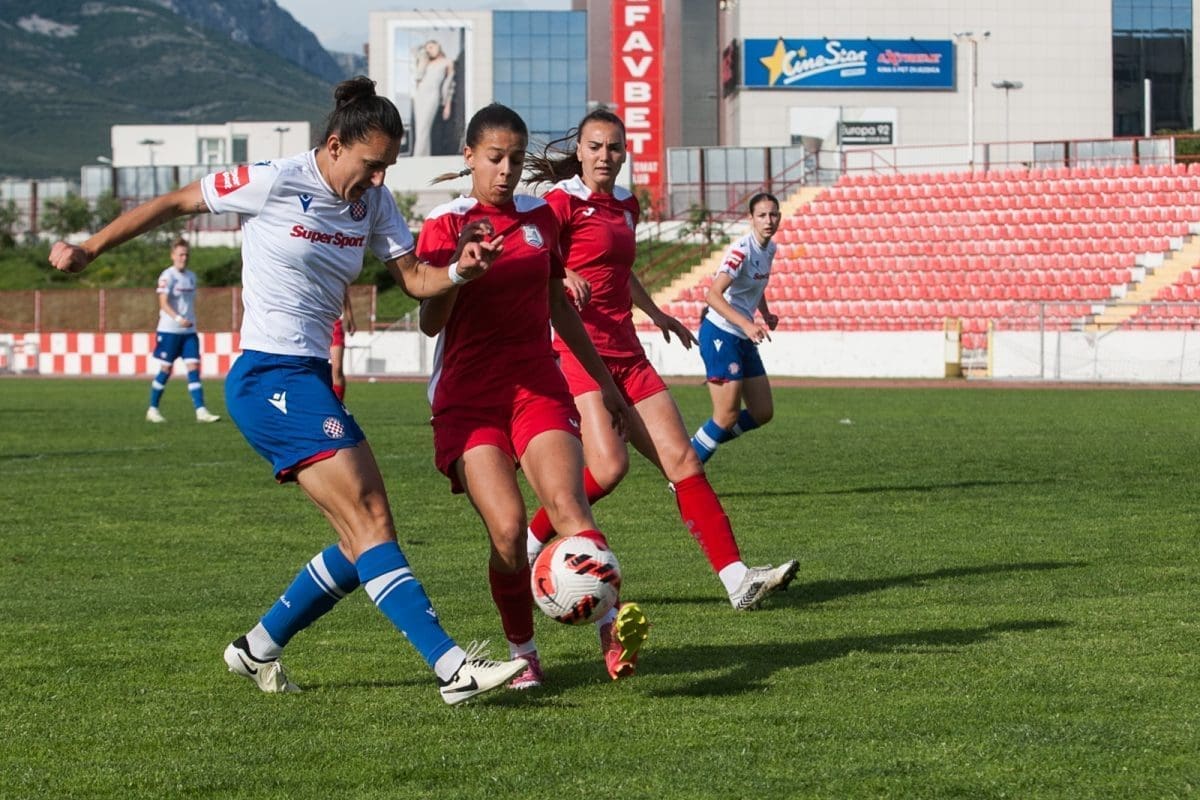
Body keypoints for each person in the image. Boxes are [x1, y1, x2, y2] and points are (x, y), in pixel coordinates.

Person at [48, 76, 527, 706]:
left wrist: (460, 271)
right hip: (268, 377)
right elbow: (174, 203)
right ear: (334, 146)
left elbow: (414, 279)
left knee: (359, 541)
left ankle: (257, 648)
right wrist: (89, 247)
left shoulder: (374, 203)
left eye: (387, 166)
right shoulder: (274, 179)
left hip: (307, 379)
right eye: (371, 164)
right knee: (371, 520)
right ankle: (451, 667)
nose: (379, 179)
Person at [523, 110, 798, 611]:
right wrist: (560, 275)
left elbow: (618, 272)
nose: (604, 156)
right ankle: (531, 538)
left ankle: (738, 581)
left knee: (683, 461)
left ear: (624, 153)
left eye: (614, 147)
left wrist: (655, 313)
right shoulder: (560, 203)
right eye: (595, 146)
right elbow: (533, 260)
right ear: (579, 151)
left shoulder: (626, 205)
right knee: (609, 468)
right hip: (579, 353)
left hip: (628, 353)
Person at [417, 103, 647, 690]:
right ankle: (524, 652)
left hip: (537, 387)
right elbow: (430, 322)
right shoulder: (446, 222)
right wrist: (461, 269)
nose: (506, 170)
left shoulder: (539, 217)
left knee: (570, 509)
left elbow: (558, 309)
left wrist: (603, 385)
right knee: (508, 529)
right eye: (495, 158)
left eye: (516, 160)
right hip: (469, 399)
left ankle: (611, 624)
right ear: (469, 156)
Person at [690, 193, 783, 465]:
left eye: (773, 214)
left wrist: (765, 313)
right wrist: (747, 324)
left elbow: (756, 284)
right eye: (762, 215)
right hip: (721, 333)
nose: (769, 220)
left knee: (762, 411)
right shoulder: (741, 251)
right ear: (751, 219)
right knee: (726, 416)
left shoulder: (770, 249)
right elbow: (712, 295)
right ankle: (686, 466)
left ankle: (698, 444)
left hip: (742, 335)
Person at [145, 238, 220, 423]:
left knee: (193, 368)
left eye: (186, 255)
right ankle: (152, 409)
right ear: (172, 256)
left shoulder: (191, 276)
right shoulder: (167, 276)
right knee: (166, 369)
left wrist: (189, 321)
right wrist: (179, 319)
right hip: (169, 331)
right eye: (180, 254)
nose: (184, 258)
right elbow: (163, 303)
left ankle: (201, 411)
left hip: (189, 333)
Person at [411, 39, 455, 157]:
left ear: (438, 45)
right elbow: (418, 78)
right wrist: (422, 59)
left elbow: (450, 85)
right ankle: (424, 157)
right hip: (420, 96)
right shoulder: (427, 62)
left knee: (424, 127)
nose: (429, 51)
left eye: (431, 47)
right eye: (427, 49)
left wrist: (447, 105)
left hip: (432, 96)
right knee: (420, 129)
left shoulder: (448, 62)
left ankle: (417, 157)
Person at [330, 291, 355, 402]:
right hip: (314, 321)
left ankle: (338, 404)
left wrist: (350, 318)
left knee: (337, 368)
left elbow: (344, 292)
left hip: (335, 323)